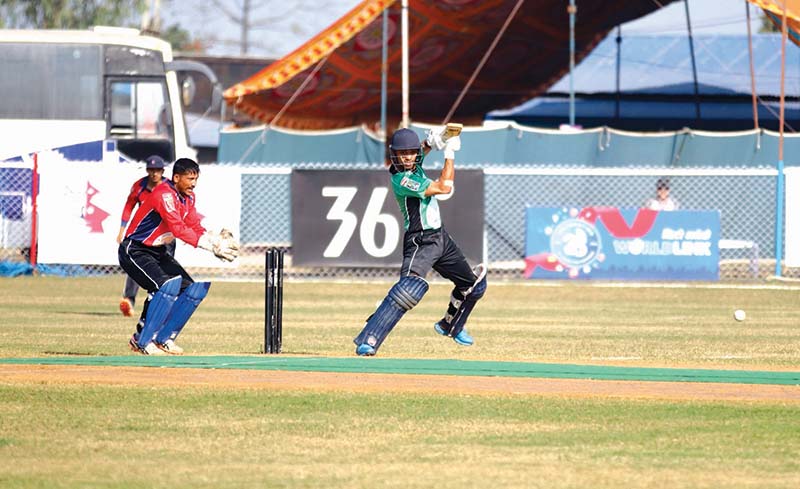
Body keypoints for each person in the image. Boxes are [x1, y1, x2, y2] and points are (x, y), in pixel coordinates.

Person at [352, 127, 487, 356]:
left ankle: (450, 326)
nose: (407, 157)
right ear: (394, 154)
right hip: (420, 241)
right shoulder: (401, 178)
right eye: (402, 153)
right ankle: (369, 338)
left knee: (473, 285)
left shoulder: (414, 163)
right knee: (409, 290)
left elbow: (421, 150)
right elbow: (444, 187)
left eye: (411, 152)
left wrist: (435, 140)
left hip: (440, 238)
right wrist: (450, 152)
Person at [118, 157, 239, 355]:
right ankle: (141, 340)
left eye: (196, 179)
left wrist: (214, 239)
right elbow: (178, 228)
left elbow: (193, 225)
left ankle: (163, 339)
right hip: (135, 250)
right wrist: (210, 247)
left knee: (192, 290)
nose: (193, 183)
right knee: (163, 286)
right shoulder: (164, 194)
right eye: (189, 178)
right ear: (176, 177)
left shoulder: (189, 197)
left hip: (158, 252)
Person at [116, 155, 174, 317]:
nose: (154, 173)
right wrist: (122, 230)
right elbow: (129, 206)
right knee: (136, 265)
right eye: (151, 170)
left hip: (165, 237)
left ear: (163, 171)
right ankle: (129, 300)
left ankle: (160, 303)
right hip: (144, 236)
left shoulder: (170, 187)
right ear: (147, 170)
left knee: (165, 270)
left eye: (158, 170)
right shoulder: (139, 186)